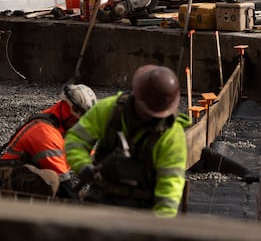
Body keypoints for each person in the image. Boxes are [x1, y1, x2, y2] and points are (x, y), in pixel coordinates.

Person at [64, 64, 190, 218]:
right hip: (101, 199)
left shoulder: (172, 135)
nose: (149, 117)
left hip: (143, 210)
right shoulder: (110, 110)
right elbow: (76, 139)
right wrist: (82, 165)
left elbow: (170, 183)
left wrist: (160, 225)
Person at [0, 84, 97, 199]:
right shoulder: (45, 131)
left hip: (26, 175)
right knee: (50, 180)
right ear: (71, 110)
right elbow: (65, 184)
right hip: (6, 179)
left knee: (83, 198)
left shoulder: (64, 124)